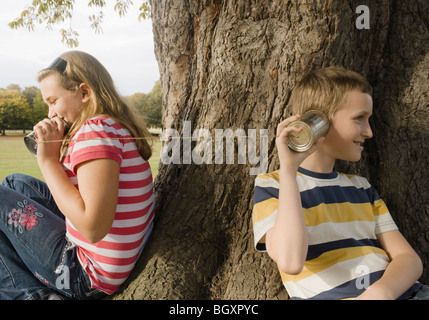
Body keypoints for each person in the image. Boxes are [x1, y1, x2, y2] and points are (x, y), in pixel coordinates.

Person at [252, 66, 427, 300]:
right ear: (319, 122)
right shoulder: (272, 186)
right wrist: (289, 168)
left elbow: (409, 260)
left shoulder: (361, 188)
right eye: (359, 119)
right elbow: (291, 261)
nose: (369, 132)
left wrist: (380, 293)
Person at [0, 51, 155, 300]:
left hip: (86, 274)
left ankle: (33, 296)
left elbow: (93, 229)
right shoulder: (111, 126)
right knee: (16, 183)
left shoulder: (93, 132)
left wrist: (48, 160)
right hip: (106, 264)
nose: (50, 113)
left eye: (53, 101)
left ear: (84, 93)